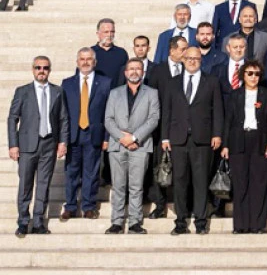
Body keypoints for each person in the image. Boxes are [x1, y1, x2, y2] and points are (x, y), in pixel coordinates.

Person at [160, 46, 224, 235]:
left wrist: (217, 134)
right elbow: (167, 112)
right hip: (178, 140)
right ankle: (180, 222)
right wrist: (165, 136)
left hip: (202, 140)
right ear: (182, 59)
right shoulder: (172, 83)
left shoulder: (211, 82)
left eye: (196, 58)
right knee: (179, 182)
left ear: (201, 60)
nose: (192, 61)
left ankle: (201, 221)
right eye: (188, 58)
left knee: (201, 182)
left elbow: (218, 110)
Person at [7, 56, 68, 237]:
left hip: (49, 143)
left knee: (43, 184)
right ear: (33, 69)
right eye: (38, 67)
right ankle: (23, 221)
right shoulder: (22, 91)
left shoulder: (58, 91)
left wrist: (62, 142)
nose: (42, 71)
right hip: (27, 145)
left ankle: (39, 221)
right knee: (25, 184)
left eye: (45, 68)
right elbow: (12, 118)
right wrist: (13, 144)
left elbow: (63, 118)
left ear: (50, 70)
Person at [103, 58, 159, 234]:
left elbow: (153, 119)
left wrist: (135, 138)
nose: (134, 72)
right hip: (117, 146)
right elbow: (108, 120)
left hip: (140, 146)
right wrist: (123, 138)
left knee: (136, 186)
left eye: (138, 69)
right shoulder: (114, 93)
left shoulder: (152, 93)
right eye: (131, 69)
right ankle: (117, 222)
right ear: (125, 73)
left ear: (143, 72)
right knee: (118, 186)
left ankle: (135, 222)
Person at [221, 59, 267, 233]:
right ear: (243, 75)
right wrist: (226, 145)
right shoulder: (235, 95)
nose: (253, 77)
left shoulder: (266, 95)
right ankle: (240, 225)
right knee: (240, 183)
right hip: (238, 141)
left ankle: (258, 224)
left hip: (260, 141)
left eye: (257, 74)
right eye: (250, 73)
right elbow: (227, 121)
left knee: (259, 184)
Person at [60, 47, 111, 221]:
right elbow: (63, 113)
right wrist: (62, 139)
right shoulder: (67, 84)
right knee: (72, 172)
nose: (86, 62)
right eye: (82, 59)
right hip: (73, 135)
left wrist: (107, 138)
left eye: (89, 59)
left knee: (91, 172)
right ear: (77, 62)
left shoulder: (105, 83)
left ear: (94, 62)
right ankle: (71, 206)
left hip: (94, 134)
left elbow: (108, 113)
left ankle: (89, 206)